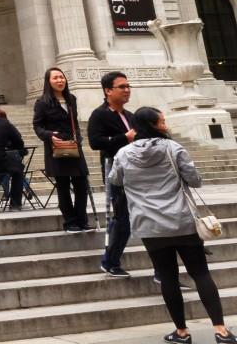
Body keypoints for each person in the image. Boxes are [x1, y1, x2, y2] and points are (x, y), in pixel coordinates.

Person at [108, 107, 237, 344]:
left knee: (167, 277)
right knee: (200, 273)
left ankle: (181, 332)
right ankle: (220, 330)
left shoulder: (123, 154)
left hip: (149, 225)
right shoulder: (173, 148)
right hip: (182, 221)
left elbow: (114, 179)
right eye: (162, 121)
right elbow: (195, 180)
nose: (165, 124)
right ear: (154, 125)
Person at [88, 70, 136, 277]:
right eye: (122, 87)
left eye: (128, 86)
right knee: (122, 217)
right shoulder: (99, 114)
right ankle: (111, 261)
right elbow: (95, 142)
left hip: (136, 171)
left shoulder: (130, 115)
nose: (127, 90)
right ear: (108, 90)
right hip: (116, 171)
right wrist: (124, 137)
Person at [33, 67, 92, 233]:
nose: (60, 81)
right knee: (63, 185)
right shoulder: (42, 102)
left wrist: (78, 137)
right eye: (55, 78)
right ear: (48, 82)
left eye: (61, 77)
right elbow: (37, 126)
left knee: (81, 185)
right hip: (56, 148)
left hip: (74, 147)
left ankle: (82, 220)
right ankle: (70, 222)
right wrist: (50, 135)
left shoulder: (71, 99)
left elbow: (75, 122)